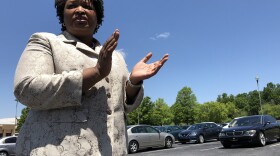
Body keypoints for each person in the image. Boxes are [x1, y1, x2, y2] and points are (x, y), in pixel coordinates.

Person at [13, 0, 168, 155]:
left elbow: (124, 107)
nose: (80, 10)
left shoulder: (116, 57)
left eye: (87, 7)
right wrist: (97, 72)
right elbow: (26, 89)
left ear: (97, 16)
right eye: (72, 5)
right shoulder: (45, 41)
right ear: (62, 14)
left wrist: (134, 82)